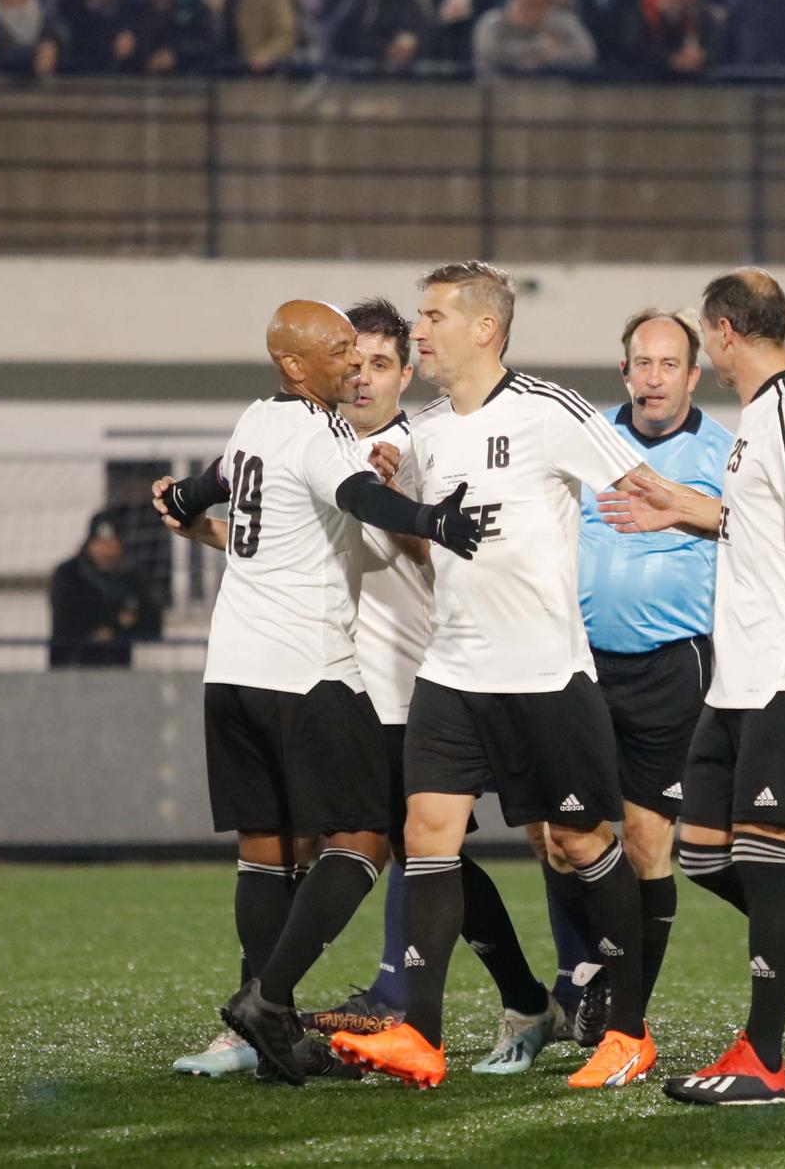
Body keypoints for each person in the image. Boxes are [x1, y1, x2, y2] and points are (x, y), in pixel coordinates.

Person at [330, 262, 659, 1092]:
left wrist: (712, 524)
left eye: (434, 315)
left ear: (485, 327)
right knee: (427, 834)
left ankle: (627, 1031)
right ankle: (419, 1032)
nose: (421, 331)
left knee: (580, 843)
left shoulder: (551, 411)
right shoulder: (427, 432)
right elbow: (392, 502)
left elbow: (640, 485)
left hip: (546, 675)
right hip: (452, 671)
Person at [151, 300, 483, 1086]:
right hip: (307, 670)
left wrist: (181, 501)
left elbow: (208, 485)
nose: (353, 362)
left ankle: (266, 1036)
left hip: (231, 671)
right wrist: (432, 517)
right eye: (339, 350)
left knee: (265, 853)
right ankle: (268, 1002)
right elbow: (359, 499)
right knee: (366, 833)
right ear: (296, 367)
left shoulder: (254, 420)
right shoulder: (318, 430)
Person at [599, 268, 785, 1107]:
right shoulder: (762, 416)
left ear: (724, 333)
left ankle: (761, 1058)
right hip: (737, 684)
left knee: (766, 857)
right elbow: (763, 526)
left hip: (781, 676)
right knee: (703, 854)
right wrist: (684, 508)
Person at [284, 299, 560, 1079]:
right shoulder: (319, 448)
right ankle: (503, 996)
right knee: (406, 852)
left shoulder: (425, 446)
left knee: (396, 848)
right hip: (342, 688)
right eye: (353, 362)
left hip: (417, 687)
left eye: (380, 363)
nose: (363, 376)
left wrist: (410, 507)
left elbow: (460, 558)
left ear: (407, 371)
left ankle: (364, 1003)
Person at [548, 308, 734, 1036]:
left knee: (649, 841)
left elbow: (762, 525)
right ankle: (589, 968)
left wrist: (690, 513)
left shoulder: (723, 451)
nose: (653, 377)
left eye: (668, 364)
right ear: (623, 370)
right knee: (566, 835)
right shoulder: (586, 439)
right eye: (641, 363)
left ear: (692, 375)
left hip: (671, 669)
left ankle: (627, 1010)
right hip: (579, 664)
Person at [47, 510, 162, 668]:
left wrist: (116, 629)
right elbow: (67, 621)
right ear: (90, 543)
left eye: (112, 541)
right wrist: (115, 622)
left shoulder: (128, 577)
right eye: (101, 542)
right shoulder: (68, 575)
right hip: (73, 666)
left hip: (116, 668)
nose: (108, 548)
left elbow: (152, 623)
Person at [612, 0, 714, 78]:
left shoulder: (698, 12)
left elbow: (714, 44)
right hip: (642, 84)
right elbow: (630, 49)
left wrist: (701, 56)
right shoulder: (635, 10)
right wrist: (669, 60)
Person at [471, 0, 596, 78]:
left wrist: (549, 58)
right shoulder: (492, 22)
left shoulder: (563, 22)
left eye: (533, 4)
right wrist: (540, 47)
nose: (525, 8)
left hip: (551, 96)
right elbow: (492, 54)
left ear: (547, 6)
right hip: (500, 94)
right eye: (519, 0)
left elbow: (586, 53)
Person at [36, 0, 136, 75]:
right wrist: (49, 44)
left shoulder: (126, 6)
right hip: (67, 73)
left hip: (108, 76)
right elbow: (52, 27)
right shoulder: (65, 1)